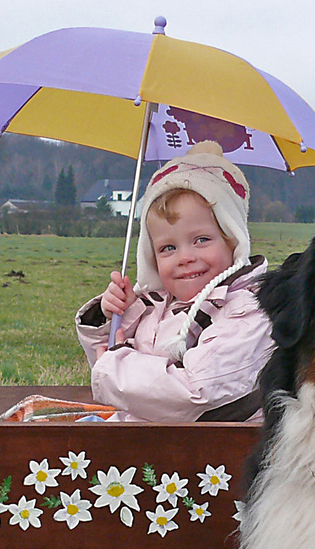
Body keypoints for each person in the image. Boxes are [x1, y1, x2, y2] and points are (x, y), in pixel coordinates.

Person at [74, 141, 271, 422]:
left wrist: (117, 359)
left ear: (233, 240)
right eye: (168, 248)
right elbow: (109, 380)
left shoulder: (246, 310)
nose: (185, 257)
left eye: (201, 240)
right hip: (150, 435)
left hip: (206, 454)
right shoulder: (154, 305)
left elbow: (193, 392)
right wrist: (111, 318)